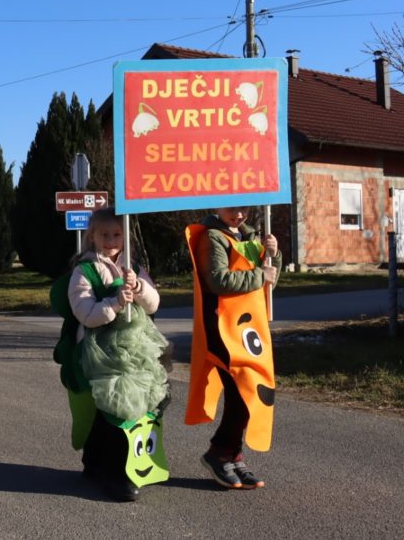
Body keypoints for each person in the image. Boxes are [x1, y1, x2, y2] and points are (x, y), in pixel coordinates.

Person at [55, 207, 168, 503]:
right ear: (92, 236)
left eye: (116, 234)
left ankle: (97, 462)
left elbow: (153, 304)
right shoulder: (84, 271)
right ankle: (117, 472)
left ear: (125, 235)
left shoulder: (133, 266)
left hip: (133, 349)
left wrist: (140, 286)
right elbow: (86, 313)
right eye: (104, 234)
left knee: (137, 402)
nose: (111, 240)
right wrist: (115, 302)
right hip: (98, 351)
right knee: (116, 404)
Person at [186, 206, 281, 490]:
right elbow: (218, 280)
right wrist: (260, 275)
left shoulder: (251, 237)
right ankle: (220, 453)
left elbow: (267, 284)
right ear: (218, 205)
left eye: (244, 209)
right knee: (243, 391)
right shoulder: (213, 237)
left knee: (250, 392)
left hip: (248, 329)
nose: (238, 214)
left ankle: (232, 454)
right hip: (223, 328)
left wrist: (273, 255)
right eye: (232, 208)